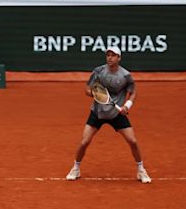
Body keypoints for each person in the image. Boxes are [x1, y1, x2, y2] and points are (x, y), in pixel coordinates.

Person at [65, 46, 152, 184]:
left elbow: (133, 92)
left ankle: (141, 170)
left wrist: (127, 105)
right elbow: (87, 89)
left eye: (113, 55)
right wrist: (96, 94)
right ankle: (76, 168)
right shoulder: (99, 71)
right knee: (84, 142)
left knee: (133, 141)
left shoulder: (125, 75)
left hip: (116, 114)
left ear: (119, 58)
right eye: (108, 55)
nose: (110, 58)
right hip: (98, 113)